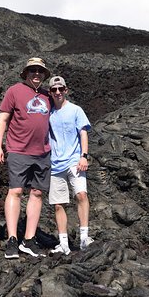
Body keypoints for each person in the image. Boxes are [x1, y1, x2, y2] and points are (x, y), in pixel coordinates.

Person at [0, 57, 52, 259]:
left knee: (37, 193)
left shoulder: (47, 95)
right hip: (18, 150)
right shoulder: (14, 91)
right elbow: (3, 119)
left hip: (43, 153)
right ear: (25, 73)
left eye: (40, 71)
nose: (36, 74)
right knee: (16, 191)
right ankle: (12, 239)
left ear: (44, 75)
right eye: (32, 70)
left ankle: (29, 239)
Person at [47, 75, 94, 255]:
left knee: (81, 195)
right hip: (55, 164)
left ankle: (84, 238)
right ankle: (63, 243)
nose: (58, 92)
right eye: (54, 90)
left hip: (74, 161)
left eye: (61, 89)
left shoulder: (76, 110)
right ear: (50, 93)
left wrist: (84, 156)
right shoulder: (49, 113)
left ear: (66, 90)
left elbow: (83, 133)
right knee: (58, 204)